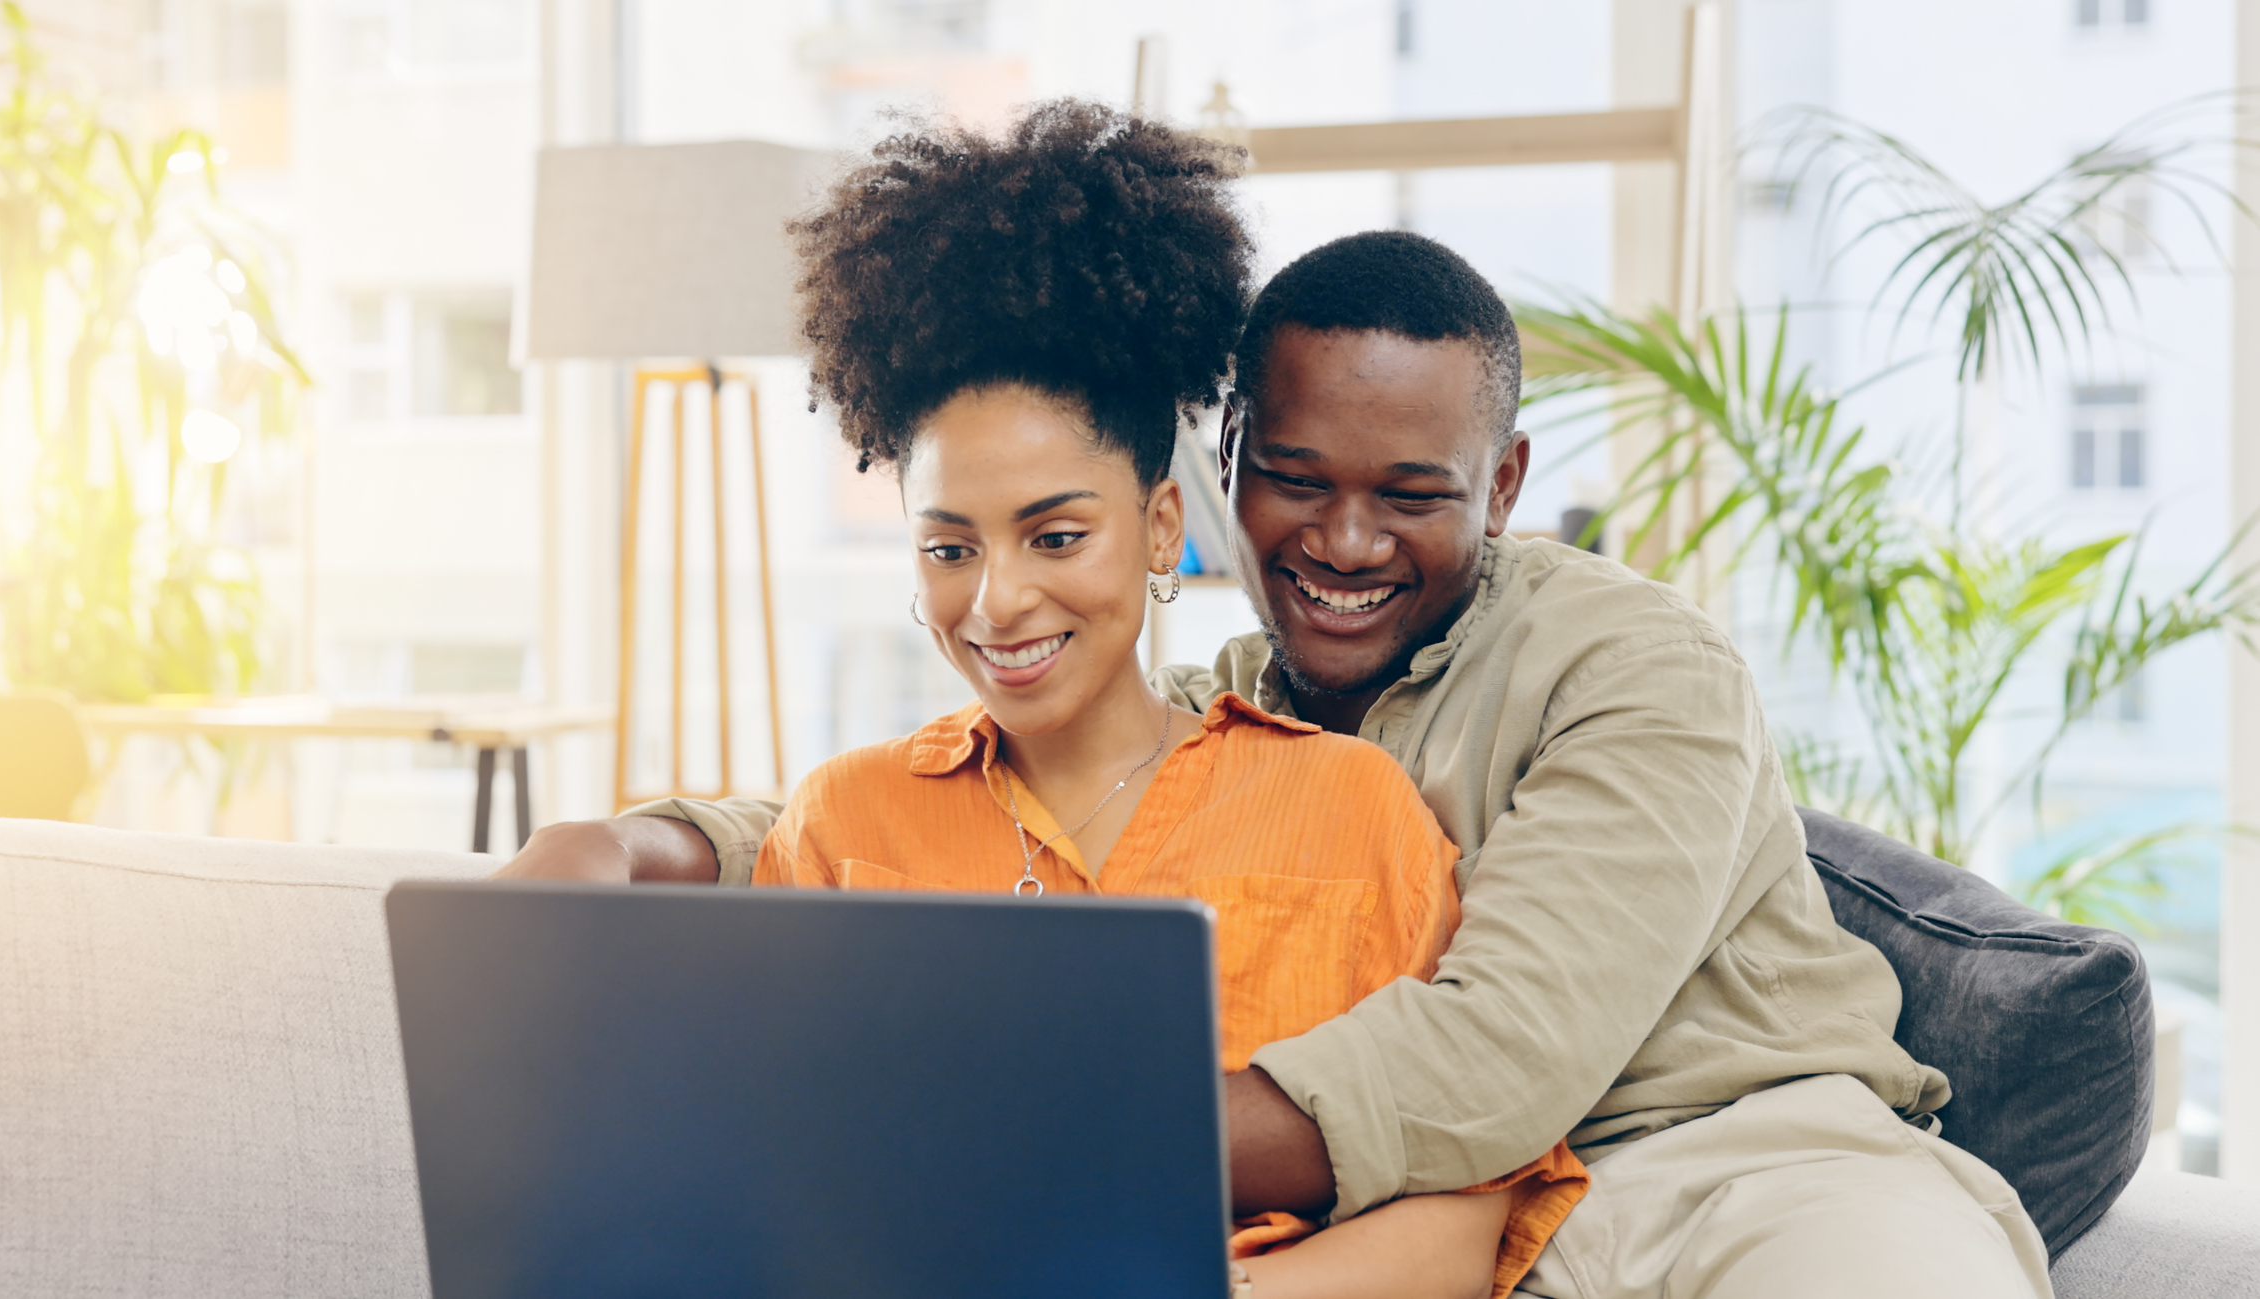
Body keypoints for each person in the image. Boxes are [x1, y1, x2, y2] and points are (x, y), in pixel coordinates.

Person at [505, 211, 2052, 1299]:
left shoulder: (1634, 665)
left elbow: (1493, 1059)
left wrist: (994, 1128)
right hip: (1497, 1217)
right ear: (1226, 471)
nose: (1343, 542)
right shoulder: (1262, 694)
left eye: (1412, 493)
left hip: (1748, 1163)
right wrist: (654, 845)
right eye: (1295, 481)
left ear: (1502, 481)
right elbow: (957, 798)